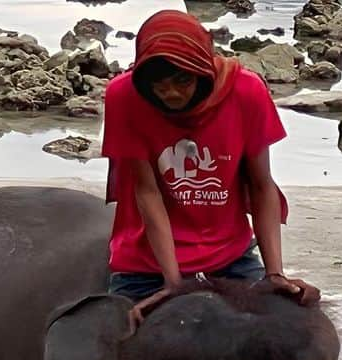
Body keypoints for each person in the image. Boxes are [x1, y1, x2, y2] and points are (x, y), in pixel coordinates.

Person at [102, 11, 319, 308]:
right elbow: (147, 191)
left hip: (228, 254)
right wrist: (174, 283)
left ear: (202, 70)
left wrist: (274, 273)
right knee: (113, 338)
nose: (172, 94)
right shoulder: (124, 96)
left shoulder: (246, 91)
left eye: (182, 81)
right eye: (160, 86)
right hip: (148, 259)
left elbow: (260, 185)